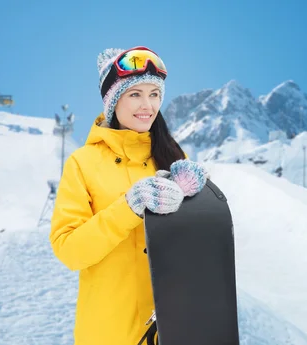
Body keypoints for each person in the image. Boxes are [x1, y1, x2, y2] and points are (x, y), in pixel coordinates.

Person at [49, 46, 209, 345]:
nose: (146, 105)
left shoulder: (173, 158)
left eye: (154, 94)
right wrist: (129, 208)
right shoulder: (83, 163)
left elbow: (198, 250)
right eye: (135, 94)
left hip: (171, 330)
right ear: (112, 101)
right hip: (107, 333)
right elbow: (69, 251)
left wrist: (200, 202)